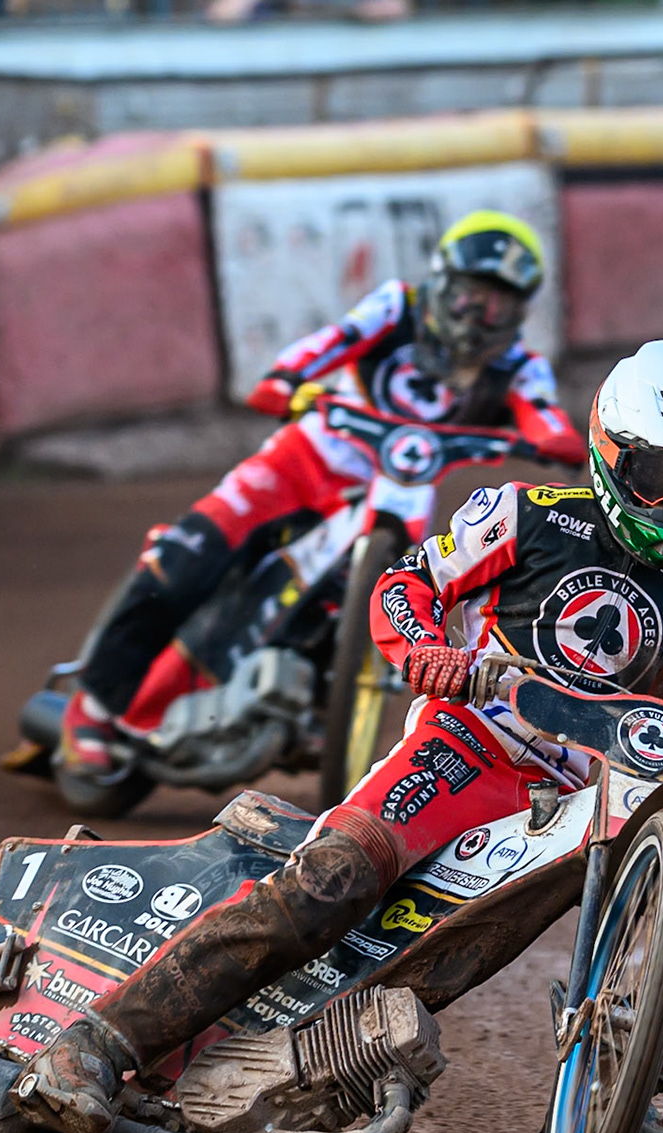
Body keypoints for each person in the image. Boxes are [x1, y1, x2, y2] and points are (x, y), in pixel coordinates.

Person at [14, 340, 663, 1133]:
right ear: (610, 450)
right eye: (659, 475)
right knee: (335, 875)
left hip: (591, 803)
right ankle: (95, 1043)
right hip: (467, 749)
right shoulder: (527, 513)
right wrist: (426, 648)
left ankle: (621, 1097)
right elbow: (405, 585)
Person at [58, 210, 585, 776]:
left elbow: (544, 415)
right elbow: (334, 341)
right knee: (188, 556)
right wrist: (286, 378)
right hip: (305, 459)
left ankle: (311, 706)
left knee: (381, 591)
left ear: (520, 314)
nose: (479, 316)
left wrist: (555, 440)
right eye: (470, 296)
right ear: (442, 280)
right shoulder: (396, 306)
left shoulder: (519, 365)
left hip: (393, 490)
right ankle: (93, 707)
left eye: (499, 306)